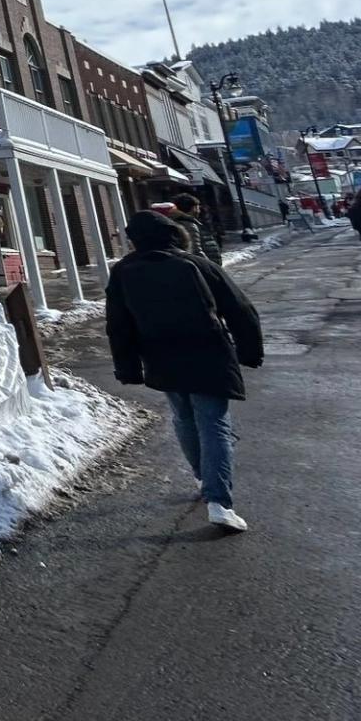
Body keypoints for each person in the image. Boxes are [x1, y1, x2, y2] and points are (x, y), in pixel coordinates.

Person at [105, 210, 263, 532]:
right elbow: (241, 309)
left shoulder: (123, 271)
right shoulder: (197, 264)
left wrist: (128, 367)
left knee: (184, 417)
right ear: (174, 234)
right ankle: (219, 501)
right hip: (208, 353)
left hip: (160, 356)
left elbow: (118, 326)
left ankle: (204, 477)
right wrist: (250, 352)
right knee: (214, 422)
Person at [170, 192, 223, 264]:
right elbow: (196, 251)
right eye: (198, 207)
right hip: (205, 266)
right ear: (193, 208)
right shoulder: (190, 225)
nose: (199, 210)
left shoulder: (187, 222)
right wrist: (211, 268)